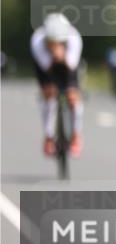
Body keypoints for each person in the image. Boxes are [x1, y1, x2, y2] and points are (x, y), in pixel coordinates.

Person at [30, 13, 84, 157]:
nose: (55, 44)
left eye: (59, 42)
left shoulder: (74, 38)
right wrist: (54, 54)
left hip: (67, 65)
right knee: (49, 93)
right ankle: (48, 137)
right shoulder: (37, 40)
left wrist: (62, 55)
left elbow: (71, 66)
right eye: (51, 42)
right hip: (46, 67)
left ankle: (75, 136)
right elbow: (46, 66)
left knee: (73, 97)